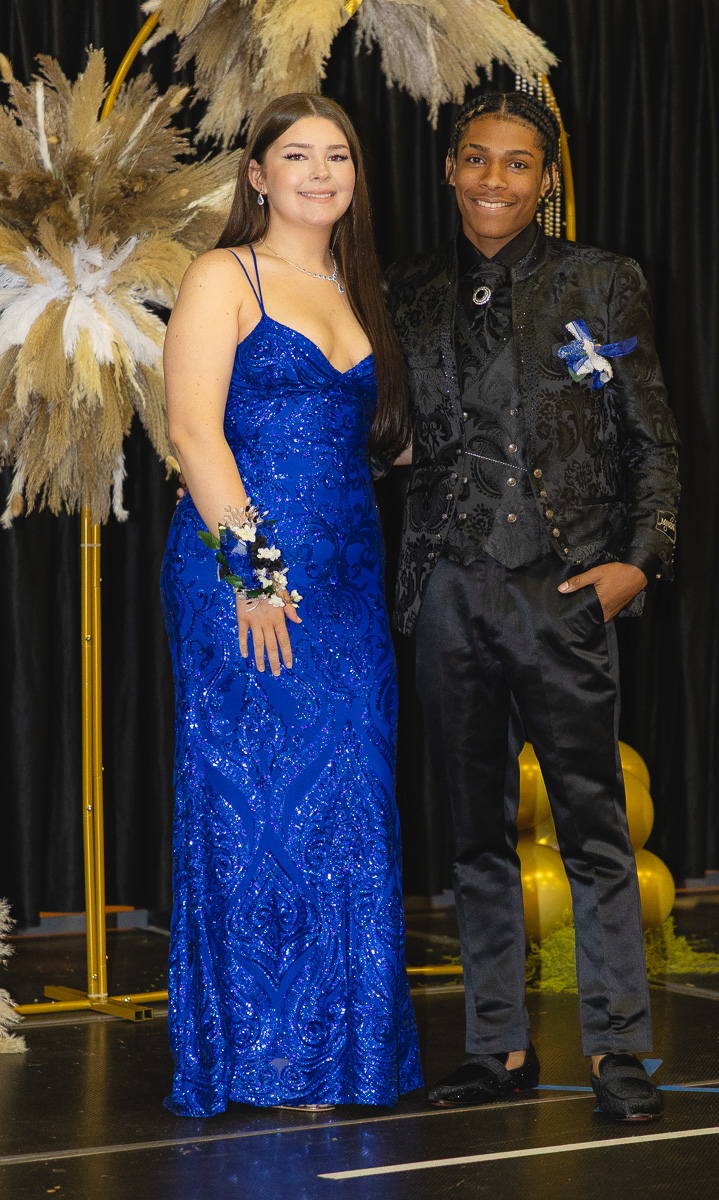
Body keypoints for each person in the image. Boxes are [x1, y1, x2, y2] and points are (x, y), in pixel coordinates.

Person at [386, 92, 680, 1121]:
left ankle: (614, 1052)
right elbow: (389, 433)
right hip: (447, 589)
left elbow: (651, 438)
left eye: (517, 164)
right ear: (450, 170)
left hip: (559, 589)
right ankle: (495, 1047)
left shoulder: (598, 282)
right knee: (472, 834)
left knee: (592, 825)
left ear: (545, 178)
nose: (494, 180)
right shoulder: (407, 289)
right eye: (476, 160)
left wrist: (634, 564)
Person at [160, 92, 422, 1117]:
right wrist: (256, 573)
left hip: (350, 583)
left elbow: (389, 443)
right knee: (257, 807)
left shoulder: (358, 288)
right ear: (258, 175)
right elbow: (193, 433)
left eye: (339, 157)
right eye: (297, 155)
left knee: (350, 801)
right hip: (246, 580)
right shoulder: (222, 274)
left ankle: (345, 1059)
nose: (321, 172)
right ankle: (267, 1061)